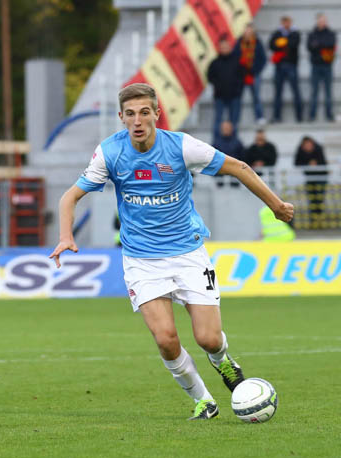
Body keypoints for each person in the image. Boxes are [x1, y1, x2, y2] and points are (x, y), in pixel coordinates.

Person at [49, 83, 294, 420]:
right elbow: (70, 197)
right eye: (130, 114)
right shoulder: (110, 152)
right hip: (141, 261)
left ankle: (223, 361)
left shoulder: (181, 147)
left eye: (144, 112)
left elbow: (240, 167)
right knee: (165, 339)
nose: (138, 121)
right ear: (121, 117)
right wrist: (65, 236)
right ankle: (204, 400)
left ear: (156, 114)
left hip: (188, 255)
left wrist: (276, 205)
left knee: (208, 339)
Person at [207, 38, 244, 141]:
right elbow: (210, 77)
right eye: (222, 47)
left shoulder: (237, 61)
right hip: (220, 96)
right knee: (218, 120)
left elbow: (241, 77)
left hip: (234, 96)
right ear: (219, 48)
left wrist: (238, 90)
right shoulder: (214, 63)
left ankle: (234, 142)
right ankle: (216, 142)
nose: (224, 49)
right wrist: (218, 86)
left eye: (226, 47)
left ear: (230, 48)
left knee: (234, 121)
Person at [269, 15, 303, 122]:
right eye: (284, 22)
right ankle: (277, 116)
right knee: (278, 93)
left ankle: (299, 116)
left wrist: (282, 42)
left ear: (290, 23)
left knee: (296, 91)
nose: (286, 24)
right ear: (282, 23)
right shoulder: (277, 33)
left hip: (291, 65)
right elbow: (271, 45)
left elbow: (294, 44)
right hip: (279, 66)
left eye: (288, 22)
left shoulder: (295, 33)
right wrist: (283, 42)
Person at [234, 23, 268, 125]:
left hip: (254, 75)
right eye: (246, 31)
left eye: (250, 31)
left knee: (256, 96)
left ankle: (259, 117)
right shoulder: (239, 43)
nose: (248, 33)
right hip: (241, 75)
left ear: (253, 32)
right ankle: (236, 119)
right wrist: (240, 69)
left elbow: (263, 59)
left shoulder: (257, 42)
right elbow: (234, 58)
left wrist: (255, 70)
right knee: (238, 98)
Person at [307, 13, 337, 122]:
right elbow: (310, 47)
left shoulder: (330, 33)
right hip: (316, 65)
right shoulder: (312, 34)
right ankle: (312, 115)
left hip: (327, 65)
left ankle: (329, 115)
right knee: (314, 91)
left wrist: (318, 45)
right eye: (320, 21)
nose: (322, 23)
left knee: (328, 92)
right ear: (317, 21)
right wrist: (322, 45)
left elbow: (331, 44)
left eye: (324, 21)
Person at [294, 136, 328, 225]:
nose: (308, 146)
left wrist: (316, 163)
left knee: (319, 199)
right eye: (306, 145)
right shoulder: (300, 151)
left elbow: (323, 162)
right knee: (312, 199)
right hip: (309, 179)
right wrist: (308, 164)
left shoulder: (318, 149)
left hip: (321, 178)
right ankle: (314, 220)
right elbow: (296, 163)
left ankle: (319, 219)